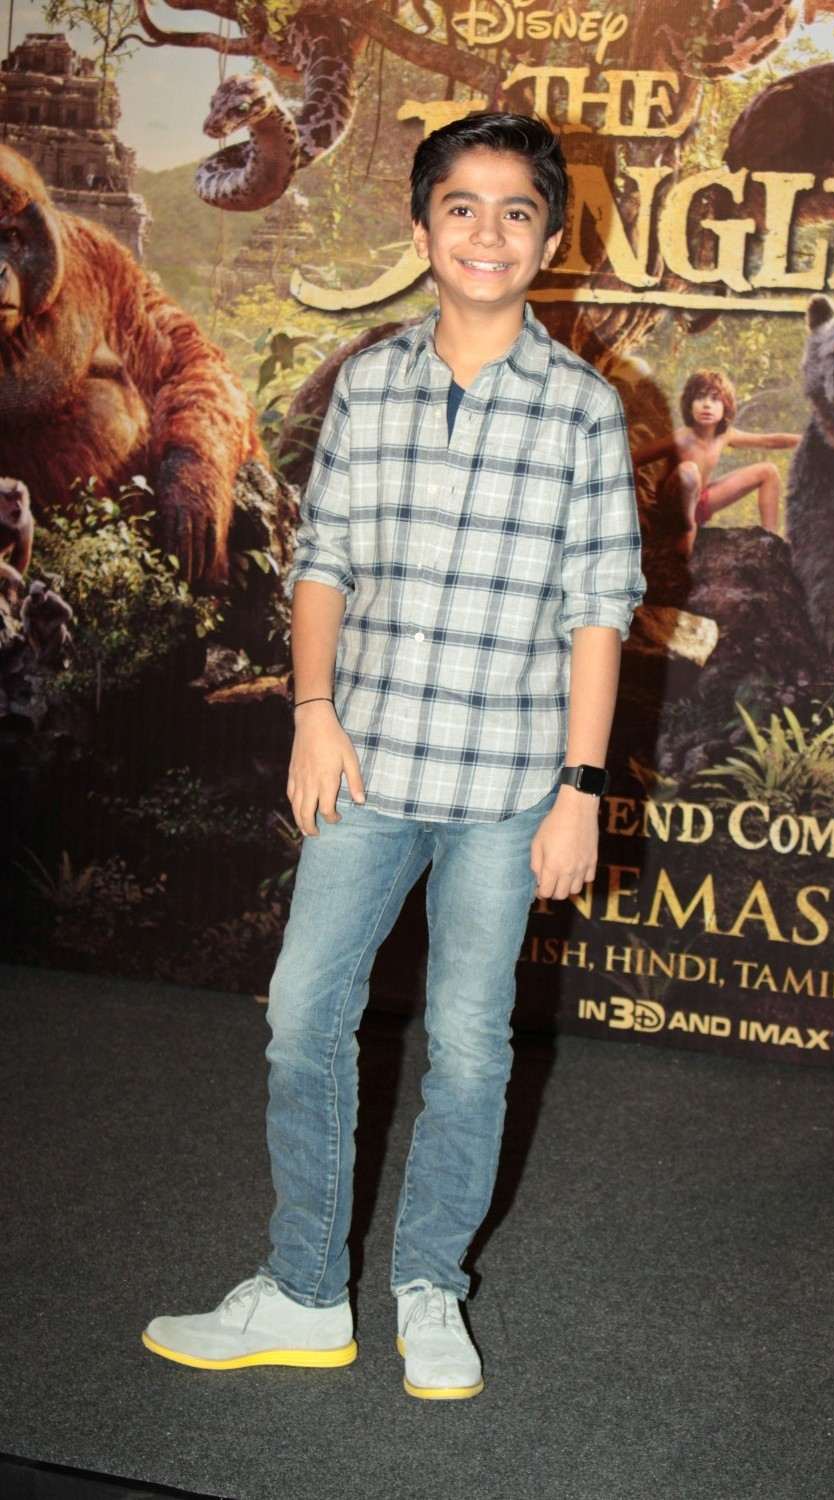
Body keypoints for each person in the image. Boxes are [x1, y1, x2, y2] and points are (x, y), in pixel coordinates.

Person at [141, 112, 645, 1400]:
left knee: (470, 1048)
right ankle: (306, 1293)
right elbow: (325, 563)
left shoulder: (586, 413)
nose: (487, 232)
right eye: (460, 206)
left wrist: (580, 791)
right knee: (302, 1019)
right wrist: (310, 711)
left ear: (548, 240)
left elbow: (598, 613)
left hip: (506, 789)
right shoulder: (369, 386)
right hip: (364, 766)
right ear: (421, 232)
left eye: (517, 211)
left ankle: (429, 1287)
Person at [633, 369, 799, 556]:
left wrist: (808, 440)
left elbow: (770, 441)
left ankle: (770, 540)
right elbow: (632, 459)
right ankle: (687, 530)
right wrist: (637, 508)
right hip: (673, 509)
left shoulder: (724, 435)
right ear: (689, 405)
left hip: (700, 502)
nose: (707, 405)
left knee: (768, 471)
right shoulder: (682, 437)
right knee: (689, 471)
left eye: (715, 399)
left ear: (726, 407)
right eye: (700, 398)